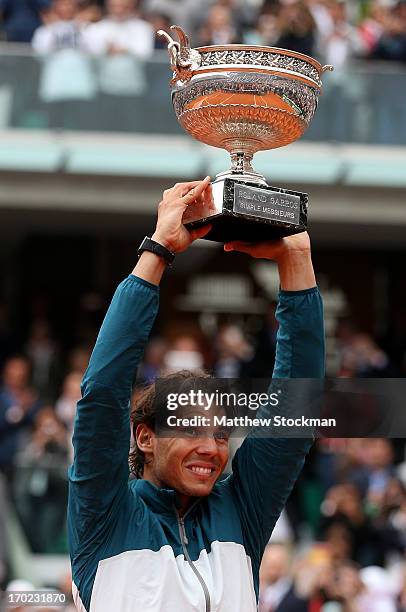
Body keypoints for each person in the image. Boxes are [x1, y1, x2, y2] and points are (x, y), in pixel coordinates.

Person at [67, 176, 325, 611]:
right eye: (190, 428)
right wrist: (158, 251)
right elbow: (103, 392)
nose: (211, 448)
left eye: (222, 435)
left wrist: (296, 257)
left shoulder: (242, 512)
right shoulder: (105, 514)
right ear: (145, 437)